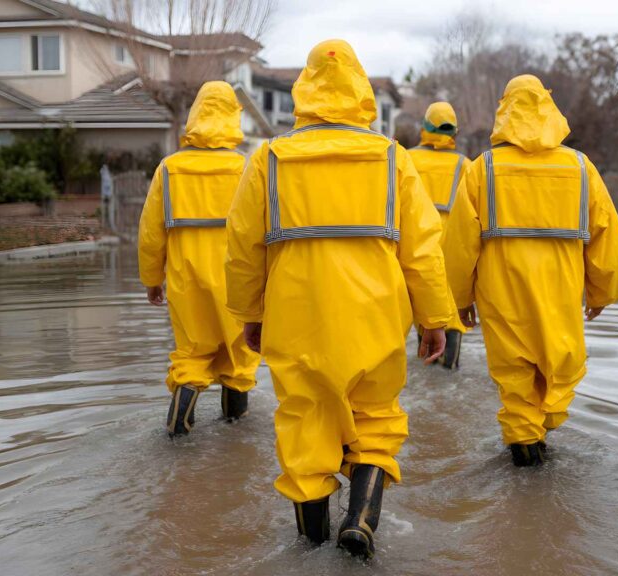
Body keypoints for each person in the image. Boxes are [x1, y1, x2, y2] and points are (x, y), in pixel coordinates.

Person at [225, 39, 452, 559]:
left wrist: (250, 314)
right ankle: (361, 521)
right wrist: (434, 318)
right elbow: (423, 250)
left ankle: (310, 547)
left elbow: (242, 248)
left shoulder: (269, 159)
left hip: (296, 316)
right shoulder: (392, 158)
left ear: (304, 86)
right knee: (376, 417)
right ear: (360, 87)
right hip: (377, 316)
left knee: (305, 422)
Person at [443, 75, 618, 467]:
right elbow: (608, 238)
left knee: (515, 379)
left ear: (504, 110)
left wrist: (459, 301)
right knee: (559, 369)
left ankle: (526, 453)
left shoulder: (482, 170)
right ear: (549, 107)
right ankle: (537, 447)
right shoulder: (580, 168)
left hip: (502, 296)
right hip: (561, 294)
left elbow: (458, 247)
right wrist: (601, 292)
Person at [138, 81, 260, 438]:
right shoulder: (247, 168)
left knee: (192, 352)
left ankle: (178, 429)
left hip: (186, 279)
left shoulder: (169, 169)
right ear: (233, 116)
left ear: (195, 114)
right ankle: (236, 434)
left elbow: (150, 233)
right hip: (237, 279)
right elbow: (263, 230)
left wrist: (151, 280)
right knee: (240, 355)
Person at [407, 102, 470, 369]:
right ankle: (449, 363)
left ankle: (426, 350)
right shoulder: (464, 164)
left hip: (416, 231)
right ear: (454, 131)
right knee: (450, 297)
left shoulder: (406, 158)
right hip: (451, 233)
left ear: (425, 127)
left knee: (420, 291)